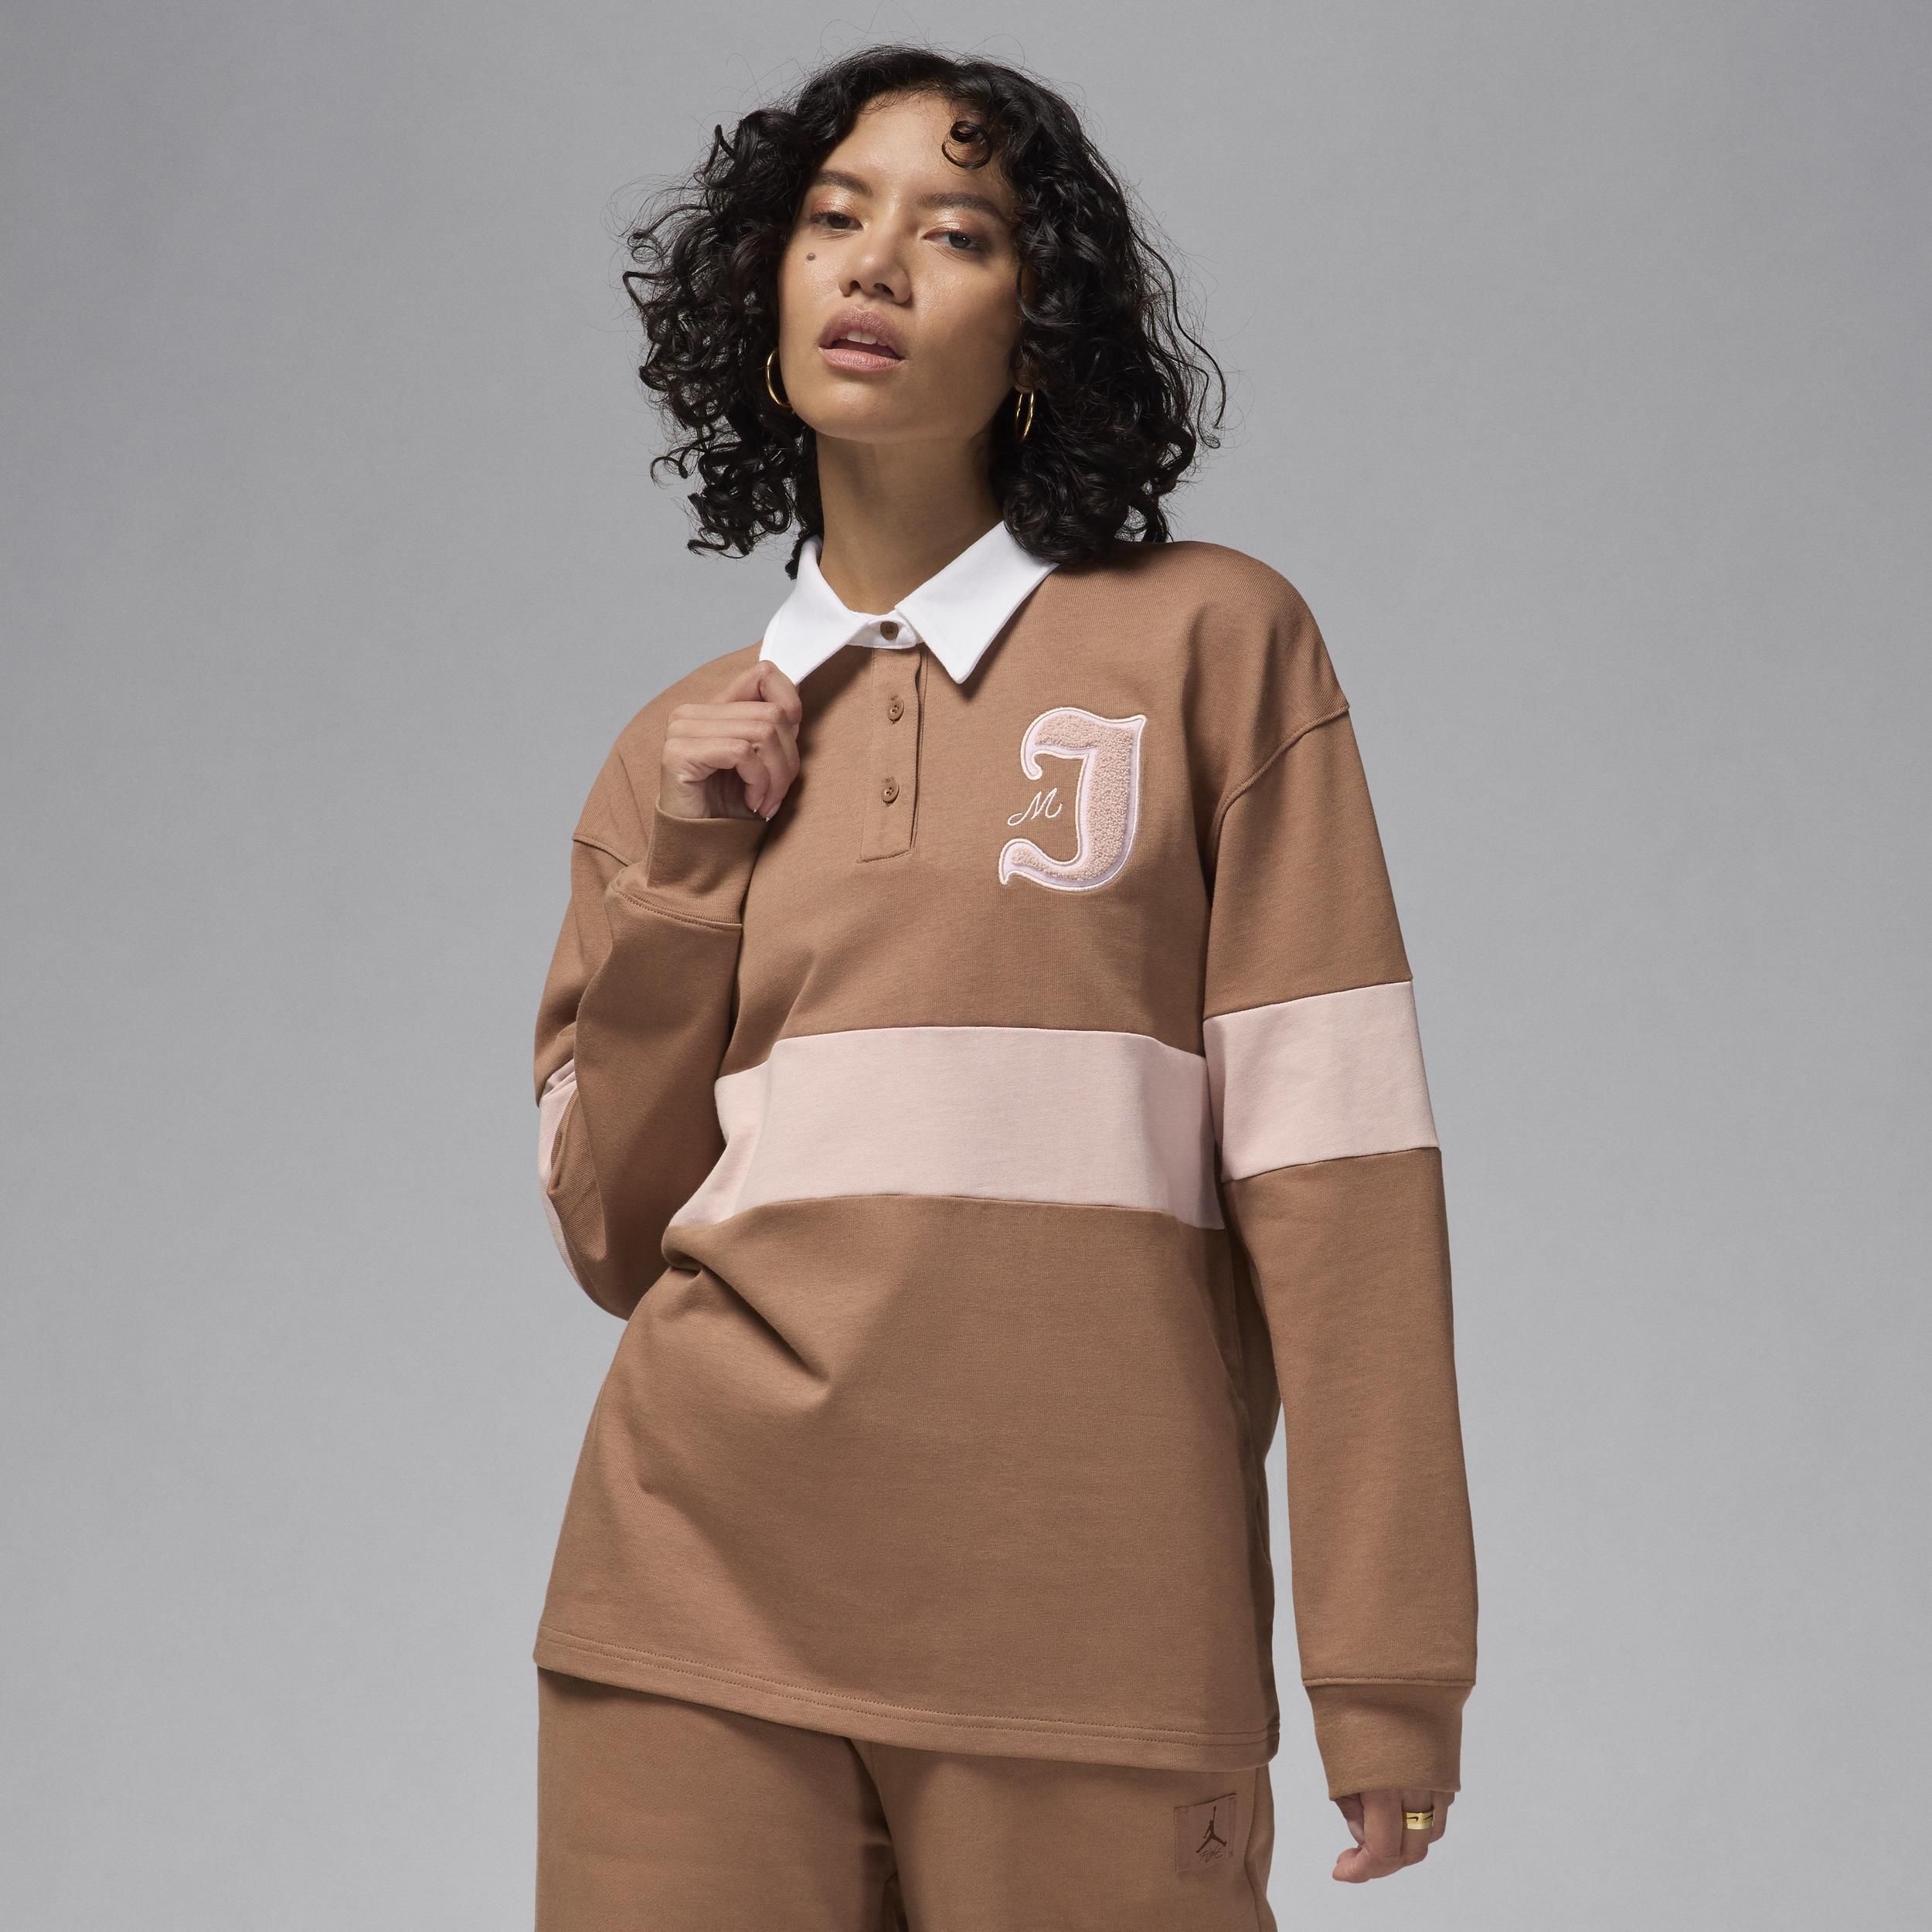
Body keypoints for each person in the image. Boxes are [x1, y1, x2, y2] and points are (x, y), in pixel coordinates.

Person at [529, 44, 1477, 1932]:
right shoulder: (678, 749)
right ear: (761, 292)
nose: (872, 264)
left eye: (954, 232)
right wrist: (686, 871)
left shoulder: (1212, 646)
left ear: (1039, 329)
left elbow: (1341, 1176)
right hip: (686, 1599)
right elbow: (614, 1228)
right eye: (831, 217)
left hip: (1091, 1626)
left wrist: (1384, 1658)